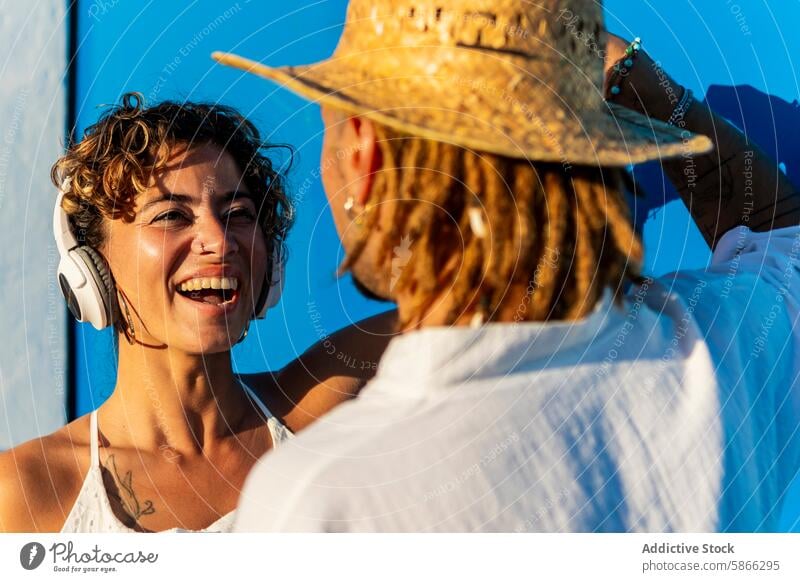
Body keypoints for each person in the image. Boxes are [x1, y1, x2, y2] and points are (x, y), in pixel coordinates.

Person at [214, 0, 800, 532]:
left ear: (365, 155)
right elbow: (784, 235)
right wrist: (627, 77)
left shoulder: (317, 501)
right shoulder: (723, 357)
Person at [0, 94, 395, 533]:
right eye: (171, 215)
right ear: (91, 269)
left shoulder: (327, 409)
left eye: (238, 214)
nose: (219, 240)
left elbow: (471, 302)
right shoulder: (28, 491)